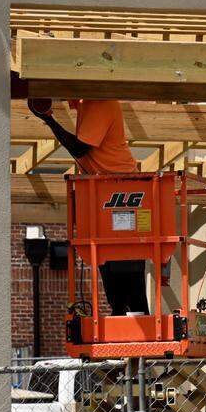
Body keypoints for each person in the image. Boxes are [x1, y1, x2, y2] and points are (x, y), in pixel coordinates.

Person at [30, 99, 147, 315]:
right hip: (108, 188)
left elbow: (79, 148)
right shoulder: (87, 103)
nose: (67, 100)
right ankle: (122, 311)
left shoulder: (100, 102)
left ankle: (131, 312)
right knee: (108, 258)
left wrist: (48, 119)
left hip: (122, 186)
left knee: (125, 262)